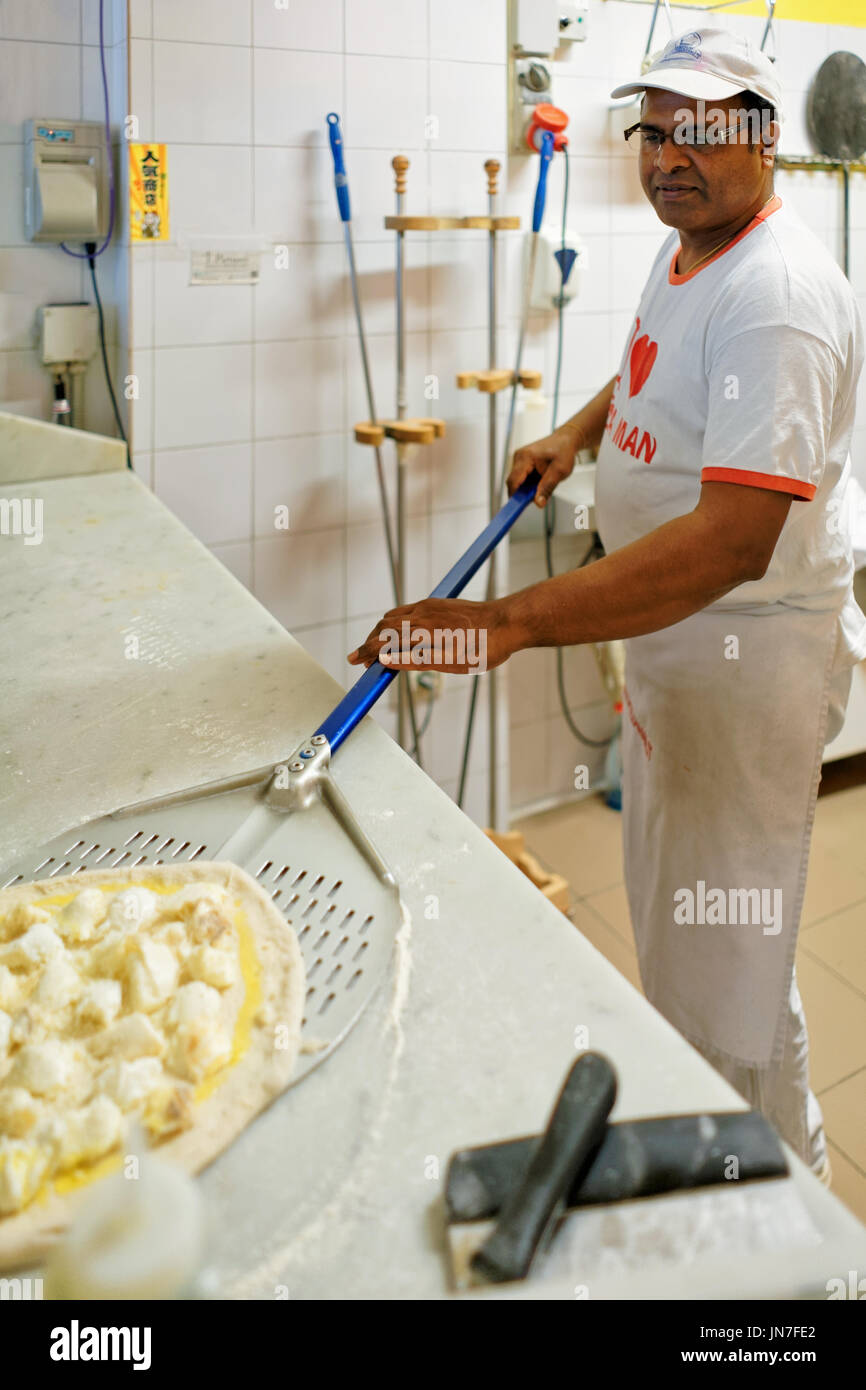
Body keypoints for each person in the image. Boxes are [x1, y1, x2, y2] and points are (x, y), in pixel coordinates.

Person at [348, 27, 865, 1180]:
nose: (669, 153)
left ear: (764, 137)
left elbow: (732, 541)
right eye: (653, 128)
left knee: (724, 968)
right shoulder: (690, 248)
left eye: (703, 128)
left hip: (746, 666)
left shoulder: (777, 296)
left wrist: (506, 622)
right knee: (696, 937)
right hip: (677, 655)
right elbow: (645, 356)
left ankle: (775, 1218)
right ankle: (759, 1164)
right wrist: (575, 435)